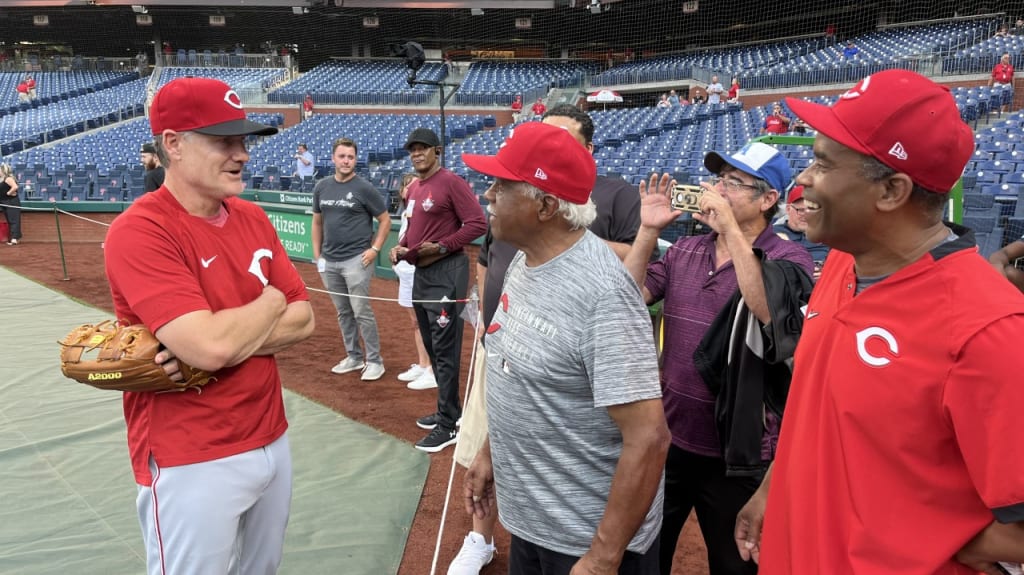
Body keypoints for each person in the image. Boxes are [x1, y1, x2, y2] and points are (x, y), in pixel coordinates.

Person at [734, 69, 1024, 574]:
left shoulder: (987, 330)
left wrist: (927, 538)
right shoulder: (846, 261)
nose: (802, 179)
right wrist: (771, 489)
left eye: (823, 164)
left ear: (892, 191)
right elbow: (818, 407)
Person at [103, 77, 315, 575]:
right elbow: (213, 346)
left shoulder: (253, 217)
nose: (241, 153)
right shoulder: (141, 230)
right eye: (224, 140)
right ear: (173, 144)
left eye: (243, 140)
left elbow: (304, 319)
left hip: (271, 434)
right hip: (190, 454)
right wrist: (269, 302)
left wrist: (221, 339)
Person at [462, 120, 670, 575]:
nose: (487, 194)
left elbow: (649, 438)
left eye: (502, 184)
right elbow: (514, 371)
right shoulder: (525, 257)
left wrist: (603, 556)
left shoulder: (603, 294)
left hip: (584, 540)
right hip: (535, 524)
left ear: (546, 205)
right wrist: (489, 453)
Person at [622, 142, 814, 575]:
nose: (719, 190)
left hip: (739, 453)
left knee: (735, 565)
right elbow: (629, 300)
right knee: (646, 557)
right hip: (668, 439)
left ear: (768, 200)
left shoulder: (789, 257)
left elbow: (768, 312)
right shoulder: (686, 250)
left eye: (734, 183)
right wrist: (648, 231)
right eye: (720, 179)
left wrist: (729, 230)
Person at [389, 127, 487, 453]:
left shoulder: (451, 183)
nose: (417, 154)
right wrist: (400, 246)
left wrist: (442, 247)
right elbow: (414, 228)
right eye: (412, 150)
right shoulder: (415, 187)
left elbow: (477, 223)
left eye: (423, 149)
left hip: (447, 272)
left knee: (445, 351)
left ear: (437, 151)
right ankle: (449, 410)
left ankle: (449, 425)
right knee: (433, 347)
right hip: (422, 273)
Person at [312, 137, 390, 382]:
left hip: (357, 260)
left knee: (361, 311)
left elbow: (385, 220)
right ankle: (354, 357)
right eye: (342, 156)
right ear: (333, 158)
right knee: (343, 312)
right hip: (330, 262)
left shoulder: (364, 188)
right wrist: (317, 257)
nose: (346, 161)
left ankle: (375, 360)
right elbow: (317, 222)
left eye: (351, 157)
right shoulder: (321, 186)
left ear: (356, 160)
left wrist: (375, 249)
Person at [393, 172, 435, 390]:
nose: (412, 189)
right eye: (408, 186)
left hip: (420, 271)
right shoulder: (405, 213)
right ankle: (423, 363)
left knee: (428, 322)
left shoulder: (425, 211)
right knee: (416, 322)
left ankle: (432, 370)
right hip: (405, 273)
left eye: (417, 185)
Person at [773, 185, 829, 280]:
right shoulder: (772, 233)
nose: (806, 215)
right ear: (788, 209)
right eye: (801, 210)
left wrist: (828, 273)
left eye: (811, 210)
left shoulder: (828, 236)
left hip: (820, 286)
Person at [0, 163, 21, 245]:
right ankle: (13, 237)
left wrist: (8, 193)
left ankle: (15, 238)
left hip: (11, 202)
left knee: (14, 220)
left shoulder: (8, 178)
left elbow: (15, 187)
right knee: (10, 220)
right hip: (4, 202)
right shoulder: (1, 179)